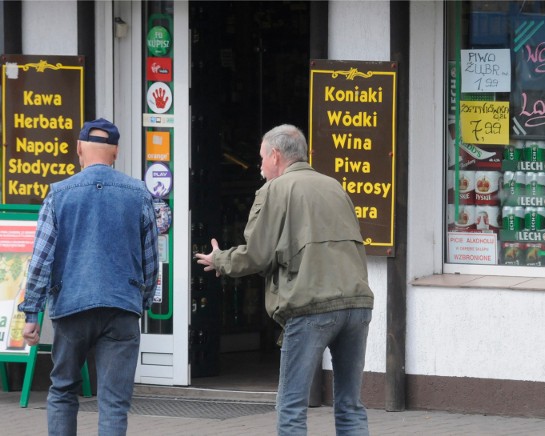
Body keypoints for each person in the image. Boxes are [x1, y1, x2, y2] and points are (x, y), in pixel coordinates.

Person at [195, 124, 374, 435]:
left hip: (310, 306)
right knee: (349, 406)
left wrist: (221, 259)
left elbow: (257, 254)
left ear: (275, 156)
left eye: (262, 158)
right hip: (357, 305)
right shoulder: (335, 186)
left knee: (290, 406)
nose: (260, 167)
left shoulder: (275, 189)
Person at [19, 118, 159, 436]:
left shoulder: (58, 194)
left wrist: (32, 313)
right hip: (122, 308)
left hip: (72, 307)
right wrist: (143, 301)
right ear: (116, 152)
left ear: (79, 149)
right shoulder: (138, 194)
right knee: (113, 403)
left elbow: (41, 260)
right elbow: (152, 260)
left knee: (63, 392)